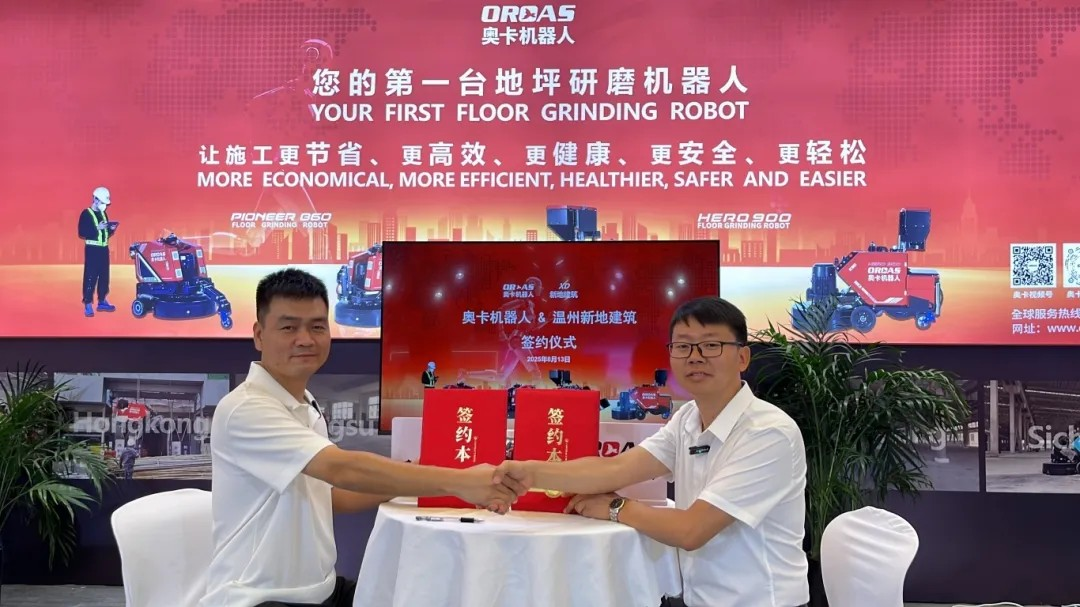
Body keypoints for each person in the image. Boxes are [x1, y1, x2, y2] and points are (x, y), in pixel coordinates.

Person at [201, 269, 525, 607]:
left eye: (317, 326)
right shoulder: (247, 408)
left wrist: (423, 475)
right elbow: (342, 469)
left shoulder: (305, 404)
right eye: (288, 327)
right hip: (257, 598)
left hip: (321, 590)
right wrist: (460, 482)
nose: (305, 339)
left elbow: (332, 497)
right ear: (258, 335)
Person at [494, 296, 810, 607]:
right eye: (683, 346)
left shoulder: (767, 432)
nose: (695, 357)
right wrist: (527, 472)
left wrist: (616, 507)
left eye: (711, 345)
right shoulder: (688, 418)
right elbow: (615, 469)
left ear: (742, 357)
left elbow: (691, 530)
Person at [78, 186, 117, 317]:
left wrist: (110, 229)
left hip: (103, 250)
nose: (104, 205)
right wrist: (97, 228)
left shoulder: (103, 214)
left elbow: (104, 233)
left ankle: (102, 300)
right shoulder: (86, 214)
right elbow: (82, 232)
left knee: (104, 276)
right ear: (95, 199)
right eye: (102, 202)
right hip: (92, 250)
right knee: (90, 276)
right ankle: (88, 303)